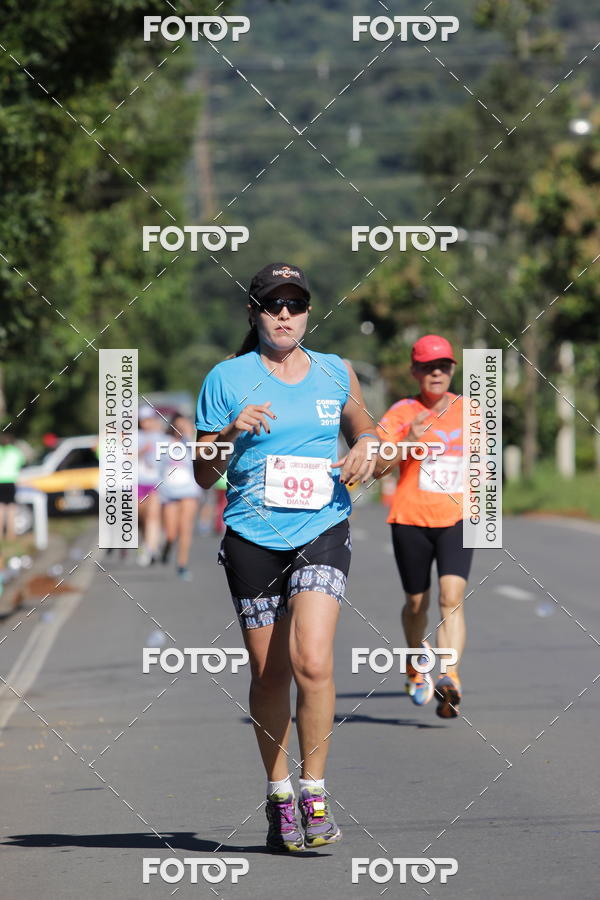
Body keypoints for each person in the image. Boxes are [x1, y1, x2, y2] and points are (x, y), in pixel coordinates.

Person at [193, 262, 378, 853]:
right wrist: (226, 432)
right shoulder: (225, 378)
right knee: (269, 672)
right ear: (254, 313)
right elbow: (202, 474)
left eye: (295, 304)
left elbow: (367, 431)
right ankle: (279, 796)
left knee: (313, 662)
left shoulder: (335, 371)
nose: (284, 315)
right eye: (273, 304)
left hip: (322, 525)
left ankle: (315, 790)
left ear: (307, 312)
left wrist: (368, 451)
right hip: (252, 535)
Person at [374, 335, 472, 719]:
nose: (436, 373)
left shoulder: (472, 411)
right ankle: (417, 662)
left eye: (443, 366)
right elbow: (378, 466)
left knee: (453, 597)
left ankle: (449, 677)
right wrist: (406, 442)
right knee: (418, 603)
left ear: (452, 370)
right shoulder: (402, 412)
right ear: (415, 371)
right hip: (411, 518)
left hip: (458, 517)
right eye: (428, 367)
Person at [158, 413, 203, 581]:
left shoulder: (191, 444)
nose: (181, 429)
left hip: (189, 492)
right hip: (169, 493)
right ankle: (167, 547)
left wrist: (189, 435)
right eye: (178, 426)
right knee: (171, 533)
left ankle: (182, 565)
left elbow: (200, 457)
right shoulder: (164, 443)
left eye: (184, 426)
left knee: (185, 529)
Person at [137, 406, 165, 566]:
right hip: (137, 482)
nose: (146, 423)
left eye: (149, 419)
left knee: (152, 516)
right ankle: (148, 541)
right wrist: (142, 451)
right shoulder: (135, 437)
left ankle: (150, 549)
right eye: (143, 420)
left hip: (155, 482)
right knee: (140, 517)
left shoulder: (160, 437)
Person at [0, 431, 26, 542]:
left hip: (0, 481)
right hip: (10, 482)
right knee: (11, 508)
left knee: (1, 509)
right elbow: (22, 464)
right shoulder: (16, 452)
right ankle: (11, 534)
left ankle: (0, 535)